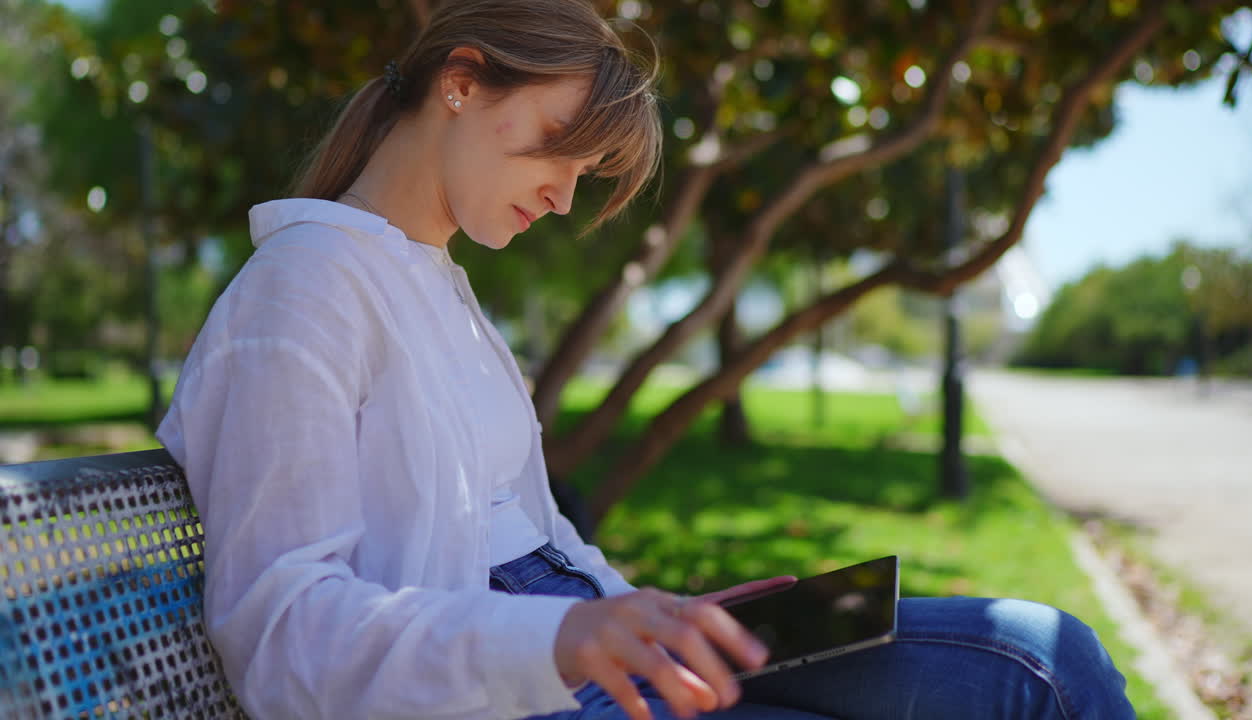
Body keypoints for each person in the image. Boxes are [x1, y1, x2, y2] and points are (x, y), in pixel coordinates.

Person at [156, 1, 1137, 719]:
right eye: (558, 148)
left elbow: (529, 536)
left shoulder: (432, 284)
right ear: (461, 82)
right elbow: (281, 638)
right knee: (1036, 680)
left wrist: (645, 612)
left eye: (582, 174)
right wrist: (563, 638)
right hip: (522, 686)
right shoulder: (302, 289)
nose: (562, 199)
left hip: (586, 656)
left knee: (1038, 655)